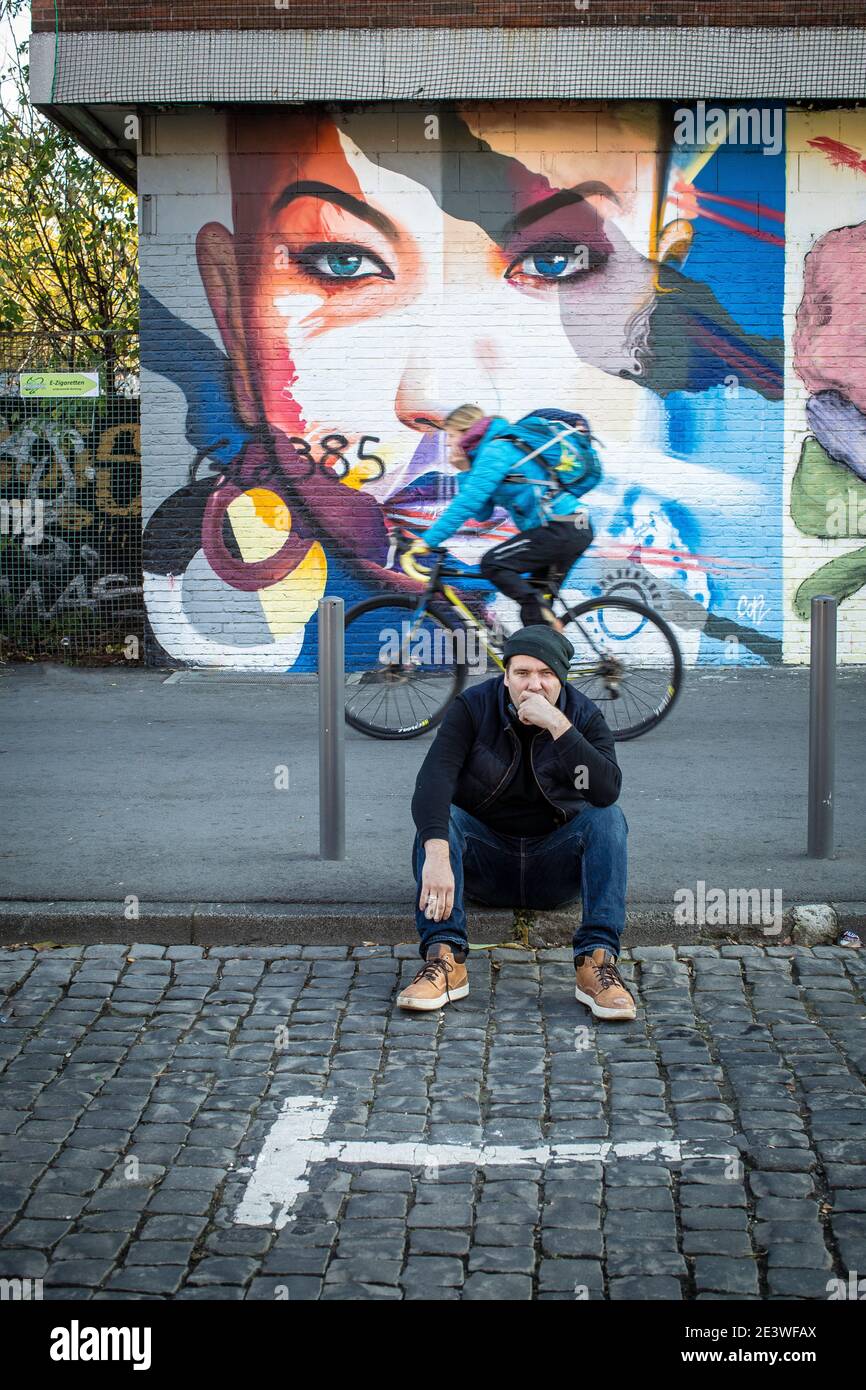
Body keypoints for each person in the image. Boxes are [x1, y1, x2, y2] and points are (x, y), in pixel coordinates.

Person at [397, 624, 636, 1021]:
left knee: (607, 818)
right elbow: (433, 781)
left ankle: (596, 963)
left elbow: (605, 791)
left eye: (546, 675)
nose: (534, 685)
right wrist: (436, 854)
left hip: (554, 867)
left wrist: (558, 727)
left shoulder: (583, 716)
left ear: (561, 679)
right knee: (442, 821)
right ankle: (445, 959)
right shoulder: (474, 708)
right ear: (505, 675)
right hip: (486, 863)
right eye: (523, 673)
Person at [404, 403, 597, 629]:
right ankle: (546, 651)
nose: (447, 442)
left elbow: (467, 504)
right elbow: (482, 513)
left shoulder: (496, 450)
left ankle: (542, 617)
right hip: (571, 527)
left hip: (562, 528)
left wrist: (428, 541)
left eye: (450, 435)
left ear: (466, 432)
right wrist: (465, 470)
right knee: (533, 618)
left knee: (494, 564)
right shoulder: (488, 456)